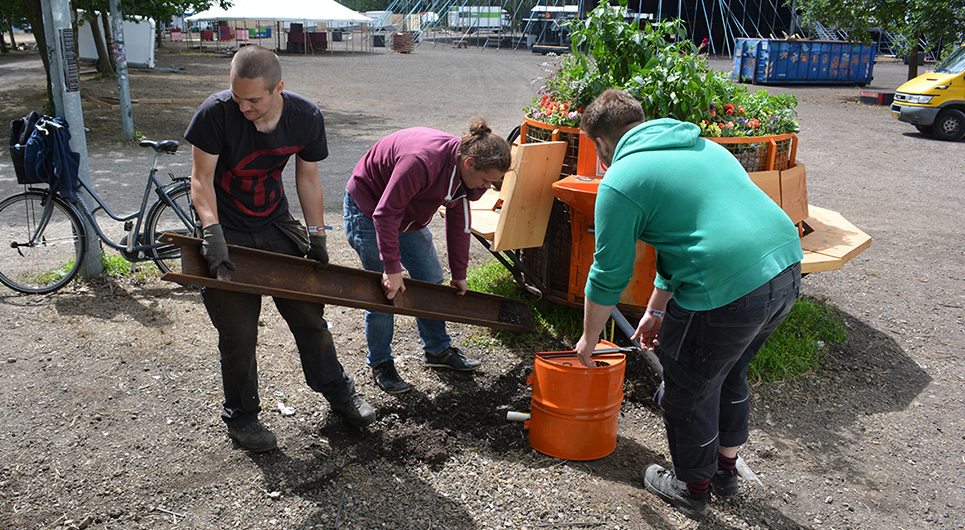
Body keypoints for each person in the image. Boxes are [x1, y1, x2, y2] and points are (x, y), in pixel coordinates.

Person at [573, 89, 803, 521]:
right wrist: (657, 308)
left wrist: (588, 339)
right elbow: (685, 238)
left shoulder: (622, 179)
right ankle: (725, 472)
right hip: (784, 267)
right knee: (729, 369)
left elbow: (608, 273)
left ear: (601, 142)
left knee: (687, 388)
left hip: (727, 288)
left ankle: (691, 487)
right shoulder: (703, 147)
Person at [184, 45, 375, 453]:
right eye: (236, 96)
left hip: (275, 223)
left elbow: (307, 178)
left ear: (278, 88)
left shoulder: (305, 117)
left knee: (309, 314)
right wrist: (212, 232)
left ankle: (338, 392)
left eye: (252, 99)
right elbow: (200, 179)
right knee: (238, 334)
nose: (243, 106)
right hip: (227, 229)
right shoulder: (215, 114)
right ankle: (242, 417)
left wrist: (318, 234)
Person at [343, 118, 512, 394]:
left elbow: (460, 223)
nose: (485, 188)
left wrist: (459, 274)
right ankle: (381, 362)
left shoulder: (463, 177)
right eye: (485, 180)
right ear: (469, 163)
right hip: (369, 208)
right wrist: (392, 268)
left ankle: (437, 351)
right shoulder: (422, 162)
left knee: (432, 278)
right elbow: (385, 214)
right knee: (384, 291)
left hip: (407, 215)